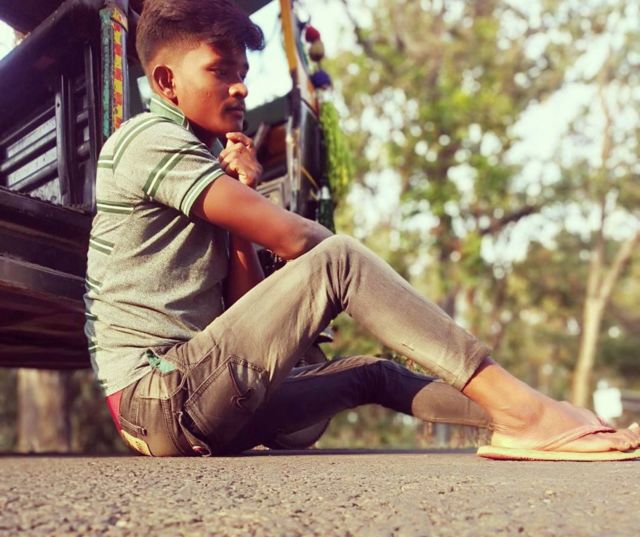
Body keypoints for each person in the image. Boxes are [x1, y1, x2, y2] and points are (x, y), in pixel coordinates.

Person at [84, 0, 640, 462]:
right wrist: (357, 278)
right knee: (340, 259)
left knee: (372, 375)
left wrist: (242, 201)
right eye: (220, 71)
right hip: (161, 397)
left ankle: (534, 417)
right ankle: (528, 414)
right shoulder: (148, 139)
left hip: (199, 396)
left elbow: (244, 310)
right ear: (166, 81)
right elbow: (295, 241)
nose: (241, 89)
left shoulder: (204, 165)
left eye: (244, 75)